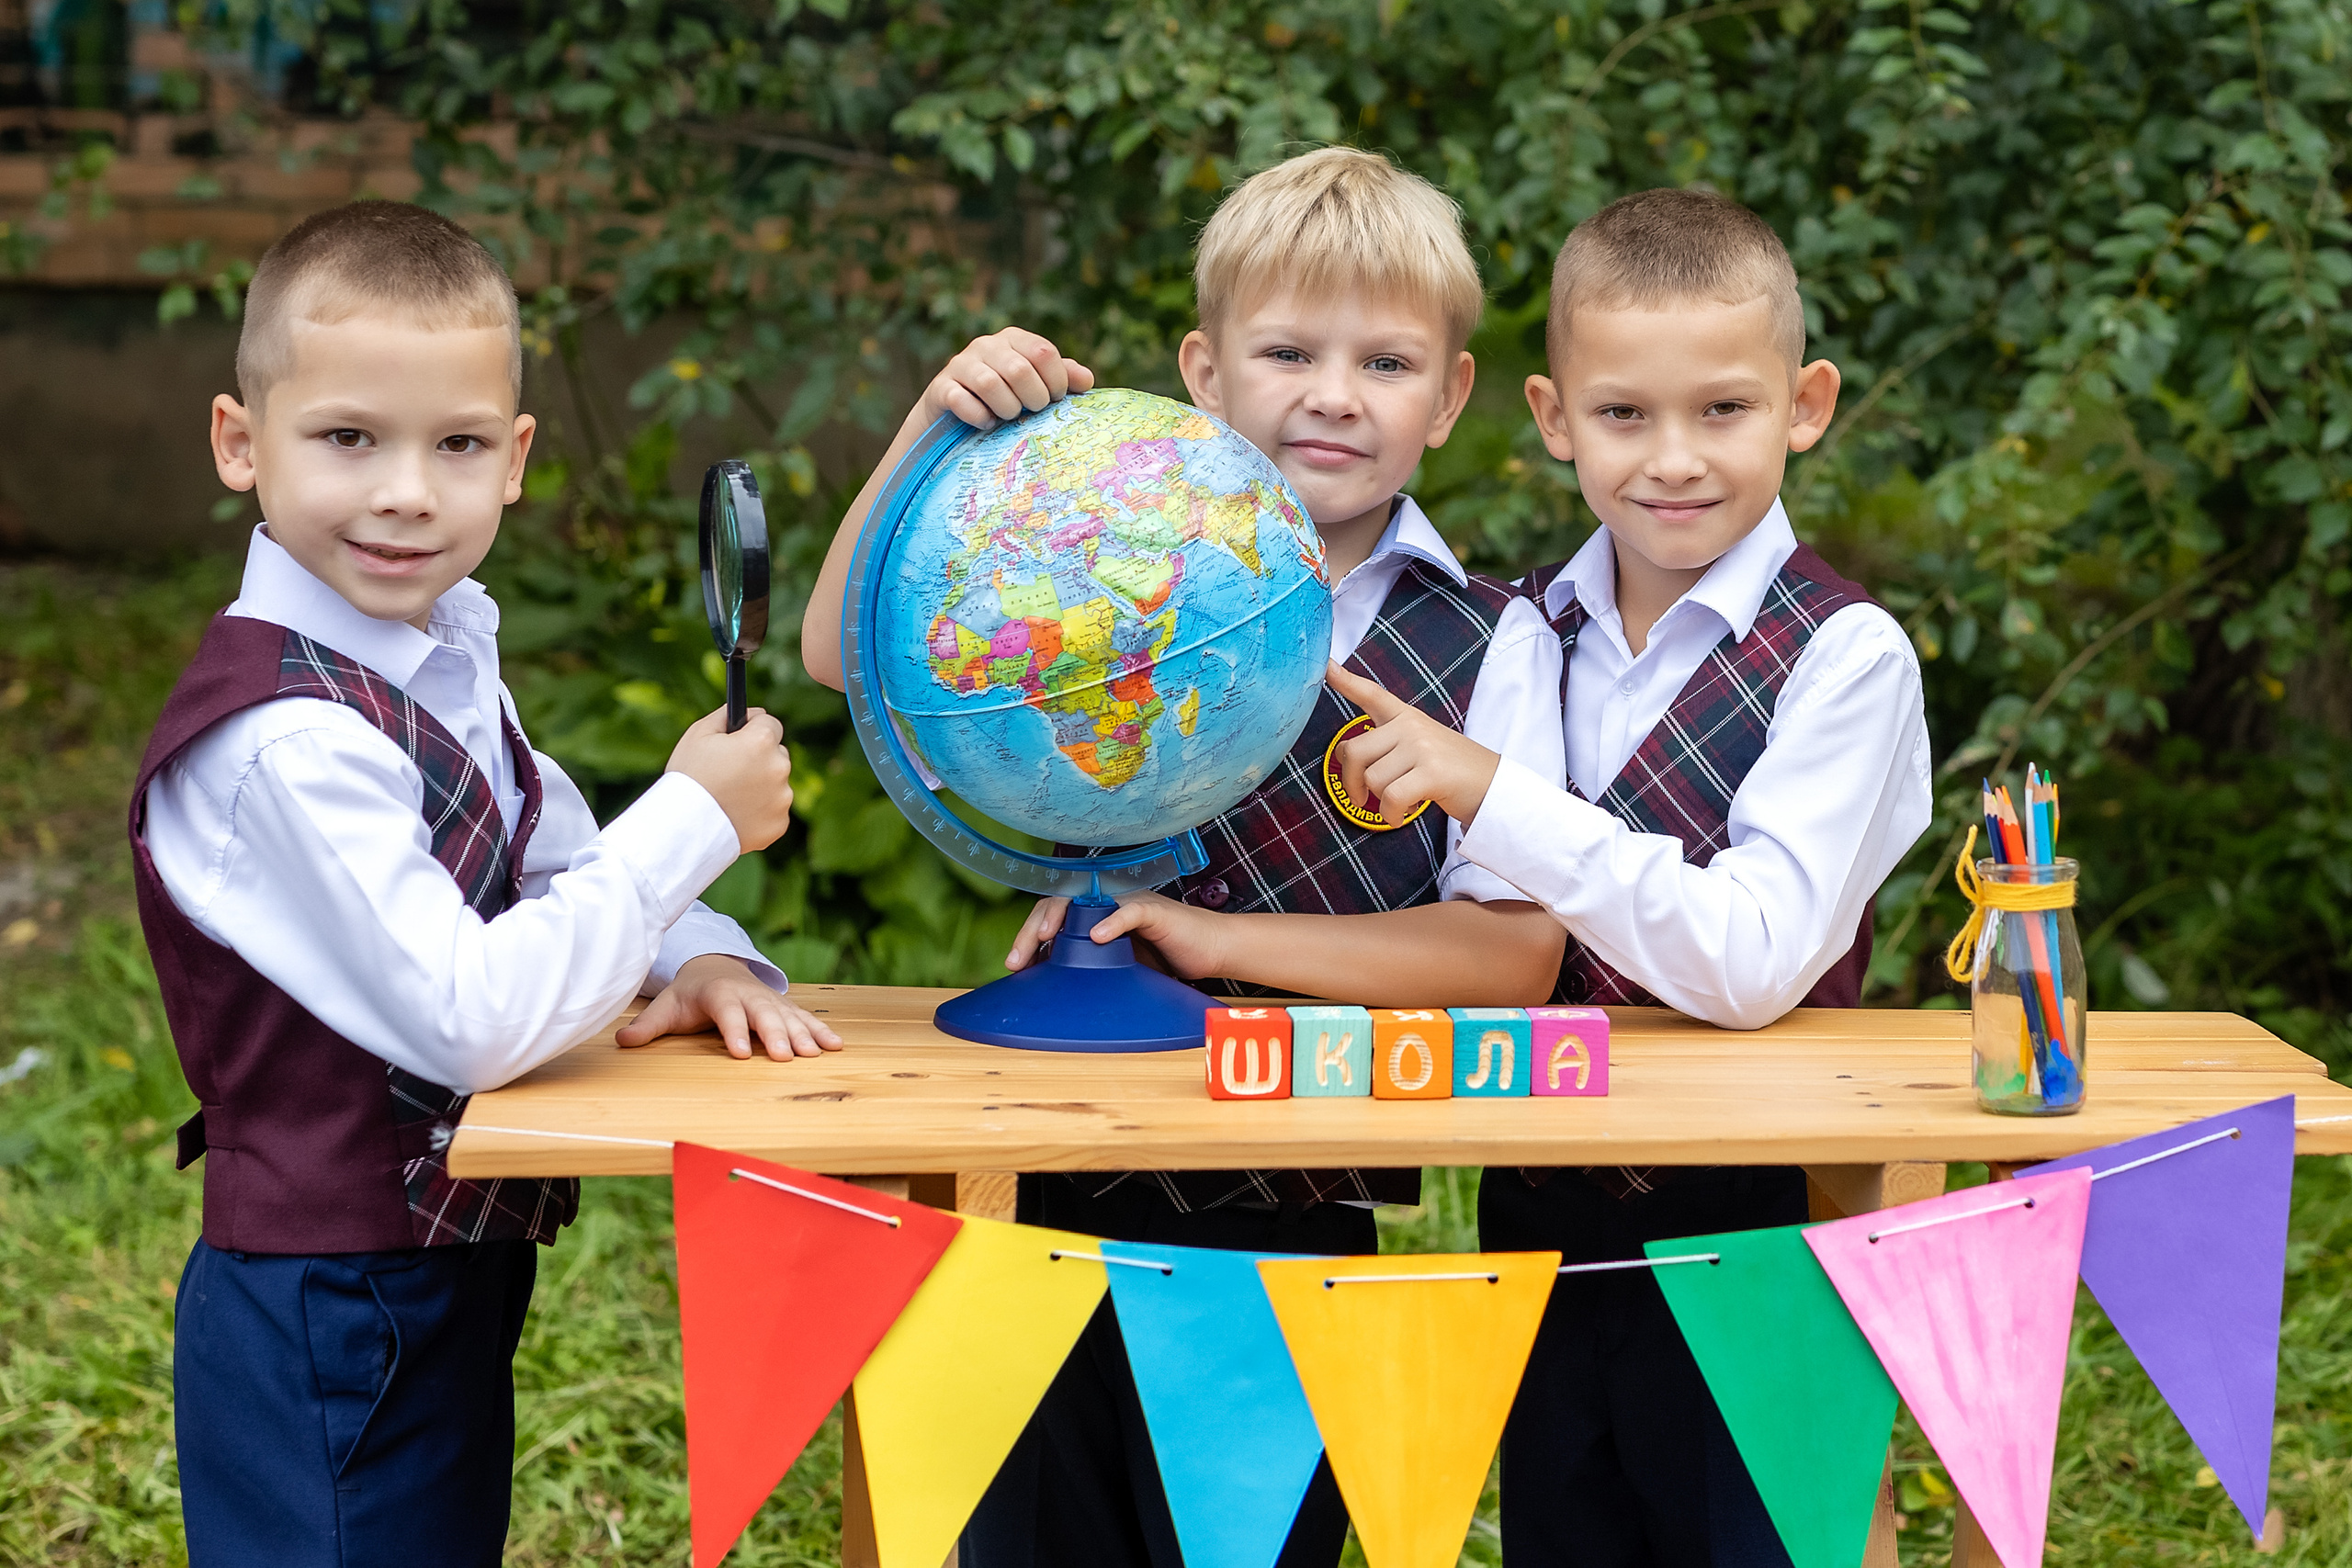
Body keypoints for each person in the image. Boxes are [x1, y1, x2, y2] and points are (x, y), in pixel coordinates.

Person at [801, 148, 1566, 1568]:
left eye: (1386, 361)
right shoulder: (1102, 547)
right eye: (1287, 351)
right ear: (1205, 373)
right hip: (1043, 1187)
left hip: (1298, 1220)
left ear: (1452, 398)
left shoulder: (1494, 641)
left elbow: (1517, 955)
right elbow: (835, 652)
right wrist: (930, 432)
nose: (1332, 392)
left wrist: (1218, 947)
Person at [131, 200, 834, 1568]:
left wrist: (694, 955)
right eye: (349, 438)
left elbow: (559, 863)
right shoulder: (282, 741)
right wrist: (695, 815)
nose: (405, 490)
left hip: (436, 1270)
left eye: (455, 445)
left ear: (514, 461)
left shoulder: (438, 655)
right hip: (323, 1299)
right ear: (239, 442)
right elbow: (469, 1013)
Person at [1329, 186, 1934, 1567]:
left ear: (1806, 402)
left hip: (1768, 1219)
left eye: (1722, 410)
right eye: (1622, 415)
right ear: (1551, 417)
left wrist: (1493, 792)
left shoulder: (1846, 658)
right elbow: (1487, 937)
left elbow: (1754, 957)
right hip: (1541, 1218)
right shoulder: (1519, 635)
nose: (1673, 459)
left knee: (1776, 1543)